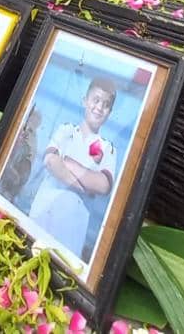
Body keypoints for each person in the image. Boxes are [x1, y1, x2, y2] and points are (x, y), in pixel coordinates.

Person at [28, 77, 119, 263]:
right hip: (44, 209)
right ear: (85, 101)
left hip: (73, 224)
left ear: (110, 112)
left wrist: (68, 163)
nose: (99, 107)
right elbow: (51, 160)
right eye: (95, 100)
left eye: (106, 104)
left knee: (58, 271)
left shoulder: (108, 148)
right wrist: (83, 186)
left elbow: (103, 185)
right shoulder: (66, 130)